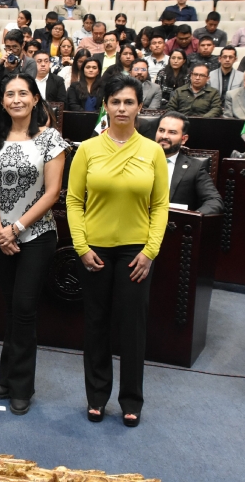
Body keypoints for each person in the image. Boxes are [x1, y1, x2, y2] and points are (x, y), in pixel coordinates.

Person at [67, 75, 168, 428]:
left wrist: (150, 251)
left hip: (135, 252)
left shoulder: (153, 151)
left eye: (129, 102)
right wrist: (81, 247)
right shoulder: (87, 149)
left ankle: (131, 400)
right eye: (115, 102)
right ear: (105, 105)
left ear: (140, 106)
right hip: (94, 250)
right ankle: (96, 397)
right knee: (96, 323)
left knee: (132, 328)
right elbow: (74, 201)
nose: (122, 108)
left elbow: (160, 206)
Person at [0, 73, 67, 414]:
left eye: (23, 93)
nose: (16, 99)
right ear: (1, 100)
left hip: (36, 235)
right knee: (10, 306)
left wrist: (15, 228)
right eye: (9, 94)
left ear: (35, 99)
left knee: (24, 309)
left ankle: (21, 387)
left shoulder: (51, 140)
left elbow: (52, 193)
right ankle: (6, 378)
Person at [155, 111, 224, 214]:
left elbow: (215, 202)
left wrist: (191, 219)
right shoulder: (138, 159)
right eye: (161, 130)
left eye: (172, 132)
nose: (164, 136)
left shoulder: (194, 167)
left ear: (184, 139)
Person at [0, 30, 37, 96]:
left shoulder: (30, 63)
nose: (11, 51)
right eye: (8, 47)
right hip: (1, 101)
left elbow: (26, 86)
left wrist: (12, 70)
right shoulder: (2, 61)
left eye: (14, 47)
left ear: (22, 45)